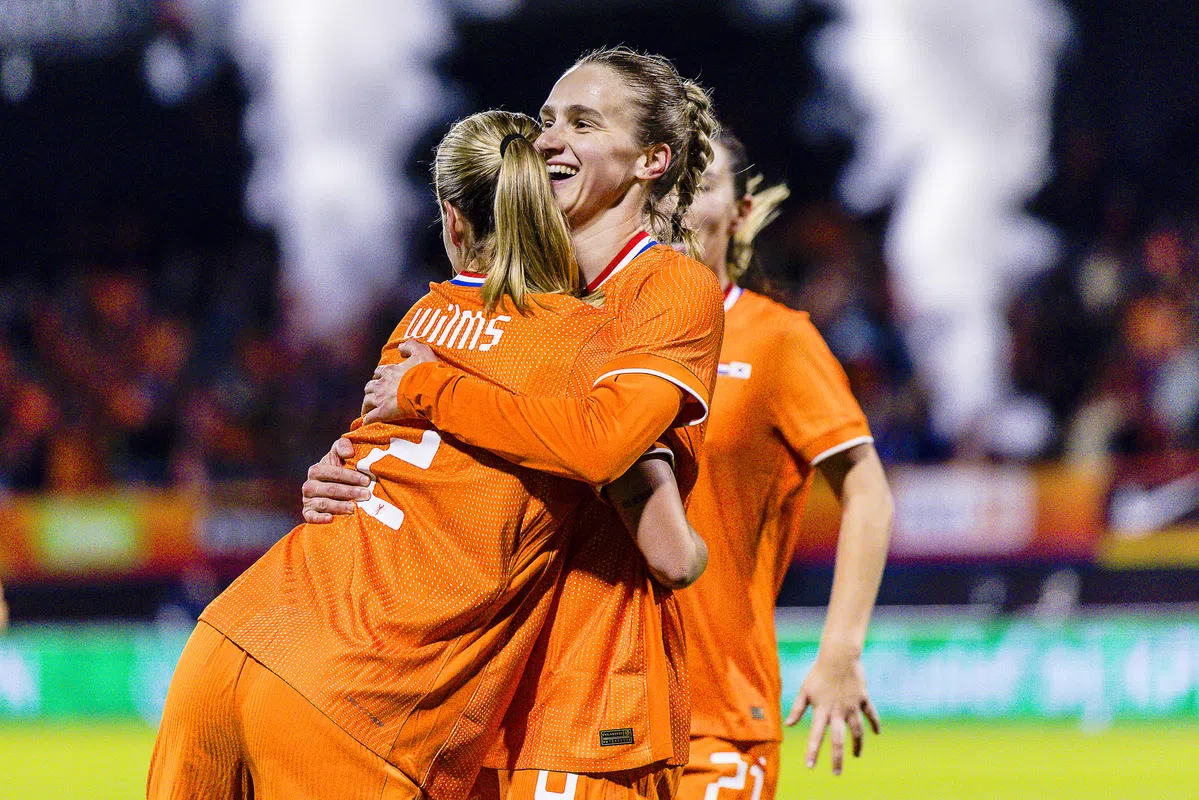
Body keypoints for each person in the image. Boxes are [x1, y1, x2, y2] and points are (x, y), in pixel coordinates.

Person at [148, 109, 705, 800]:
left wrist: (335, 465)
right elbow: (668, 550)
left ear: (452, 220)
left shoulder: (420, 321)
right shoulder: (592, 351)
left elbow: (378, 461)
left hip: (234, 635)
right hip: (359, 692)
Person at [304, 47, 725, 800]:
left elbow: (604, 449)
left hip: (583, 706)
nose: (550, 139)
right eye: (547, 120)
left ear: (651, 161)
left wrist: (430, 390)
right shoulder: (504, 303)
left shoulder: (668, 287)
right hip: (459, 708)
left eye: (584, 124)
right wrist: (343, 477)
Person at [672, 131, 893, 799]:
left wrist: (840, 651)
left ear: (740, 213)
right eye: (665, 184)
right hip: (582, 718)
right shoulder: (590, 336)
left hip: (712, 720)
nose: (678, 203)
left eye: (700, 185)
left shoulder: (777, 340)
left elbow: (867, 493)